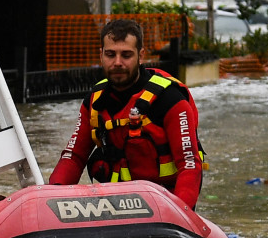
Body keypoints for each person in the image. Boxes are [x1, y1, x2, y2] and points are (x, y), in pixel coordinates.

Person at [48, 18, 205, 208]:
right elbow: (74, 156)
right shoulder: (95, 102)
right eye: (110, 54)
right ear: (101, 55)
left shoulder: (170, 100)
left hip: (165, 204)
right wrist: (50, 199)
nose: (117, 62)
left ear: (141, 56)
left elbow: (189, 164)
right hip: (114, 204)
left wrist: (181, 214)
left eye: (126, 55)